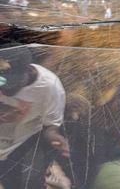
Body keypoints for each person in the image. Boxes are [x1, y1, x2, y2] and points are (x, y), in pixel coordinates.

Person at [0, 44, 69, 189]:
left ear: (28, 70)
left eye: (11, 84)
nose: (5, 90)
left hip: (18, 148)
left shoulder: (50, 87)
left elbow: (50, 125)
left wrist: (53, 137)